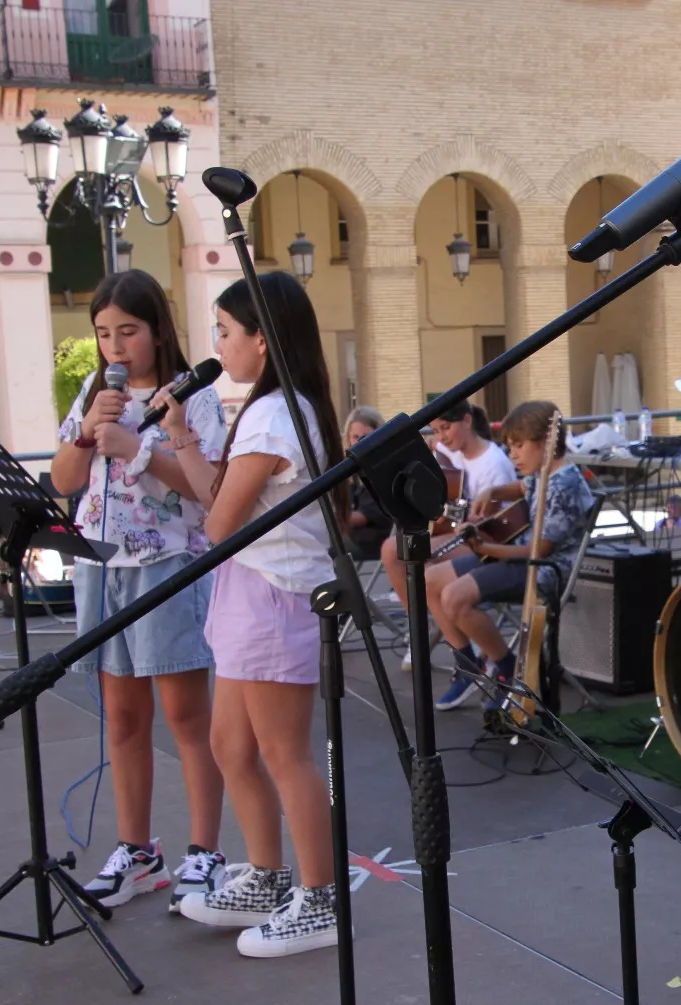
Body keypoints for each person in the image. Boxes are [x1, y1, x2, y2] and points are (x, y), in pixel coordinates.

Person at [153, 272, 345, 957]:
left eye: (226, 333)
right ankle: (266, 877)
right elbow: (222, 509)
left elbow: (220, 519)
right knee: (231, 745)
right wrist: (180, 435)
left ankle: (320, 899)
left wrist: (181, 445)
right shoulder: (273, 408)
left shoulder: (273, 414)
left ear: (262, 340)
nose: (217, 346)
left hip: (273, 593)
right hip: (249, 588)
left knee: (282, 752)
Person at [50, 268, 229, 915]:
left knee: (187, 716)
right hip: (100, 564)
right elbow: (65, 480)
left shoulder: (191, 396)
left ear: (156, 330)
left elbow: (204, 486)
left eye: (128, 331)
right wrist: (87, 431)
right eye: (103, 334)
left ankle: (204, 851)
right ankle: (137, 851)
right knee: (123, 718)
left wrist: (139, 448)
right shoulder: (96, 395)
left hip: (168, 565)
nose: (115, 347)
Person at [428, 400, 595, 722]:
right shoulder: (543, 473)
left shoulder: (565, 484)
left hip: (543, 573)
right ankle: (469, 665)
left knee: (454, 596)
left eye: (519, 446)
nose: (513, 455)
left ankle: (504, 669)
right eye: (509, 447)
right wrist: (491, 492)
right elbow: (520, 487)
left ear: (546, 443)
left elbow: (539, 552)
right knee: (431, 580)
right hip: (518, 560)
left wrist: (483, 548)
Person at [379, 397, 516, 674]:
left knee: (420, 564)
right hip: (456, 532)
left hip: (488, 542)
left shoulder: (494, 464)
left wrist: (457, 517)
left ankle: (465, 651)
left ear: (467, 420)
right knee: (392, 550)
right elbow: (432, 455)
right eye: (436, 430)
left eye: (446, 428)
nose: (441, 436)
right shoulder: (448, 448)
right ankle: (419, 624)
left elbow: (494, 524)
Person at [343, 406, 393, 560]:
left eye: (364, 437)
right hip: (357, 537)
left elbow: (360, 518)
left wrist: (324, 517)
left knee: (323, 547)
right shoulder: (353, 469)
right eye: (355, 437)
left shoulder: (383, 468)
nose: (358, 442)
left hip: (376, 541)